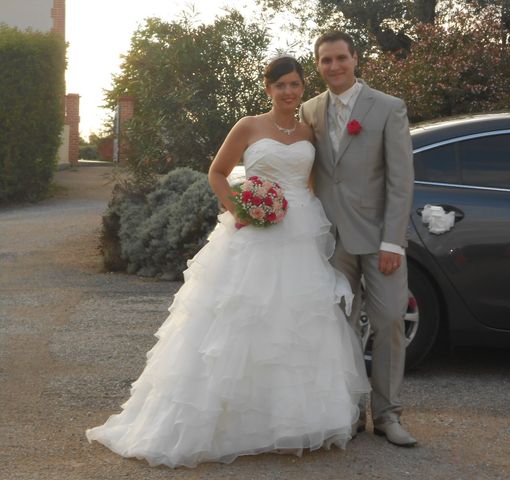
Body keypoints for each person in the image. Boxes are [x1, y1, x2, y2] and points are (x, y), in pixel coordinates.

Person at [85, 56, 369, 468]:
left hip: (301, 234)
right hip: (255, 234)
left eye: (294, 84)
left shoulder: (310, 130)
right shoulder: (249, 126)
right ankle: (231, 424)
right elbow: (217, 173)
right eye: (280, 85)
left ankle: (292, 425)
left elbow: (312, 183)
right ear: (267, 88)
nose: (288, 92)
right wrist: (241, 208)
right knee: (243, 322)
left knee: (295, 326)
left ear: (302, 86)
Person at [299, 31, 416, 447]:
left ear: (355, 59)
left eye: (340, 58)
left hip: (378, 238)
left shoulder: (387, 107)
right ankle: (346, 413)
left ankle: (387, 415)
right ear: (318, 65)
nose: (334, 66)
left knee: (388, 323)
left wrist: (393, 242)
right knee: (339, 328)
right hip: (332, 239)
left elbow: (401, 181)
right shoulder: (310, 110)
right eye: (325, 60)